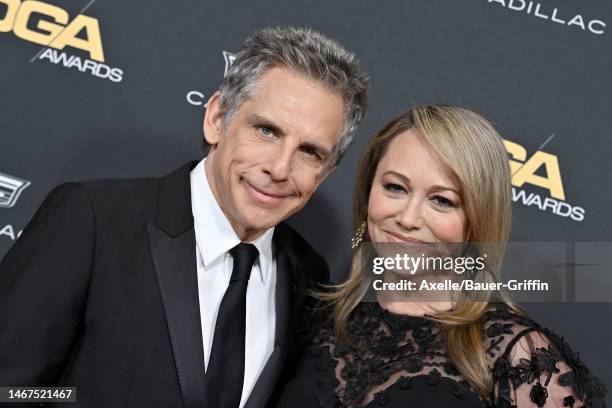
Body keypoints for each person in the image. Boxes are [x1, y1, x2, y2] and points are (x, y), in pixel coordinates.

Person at [0, 27, 368, 407]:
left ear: (326, 172)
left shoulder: (308, 276)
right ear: (216, 118)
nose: (279, 168)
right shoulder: (94, 219)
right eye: (266, 130)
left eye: (310, 152)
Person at [269, 106, 607, 407]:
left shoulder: (517, 355)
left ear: (478, 220)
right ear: (367, 191)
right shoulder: (313, 316)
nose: (409, 218)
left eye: (442, 201)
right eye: (395, 188)